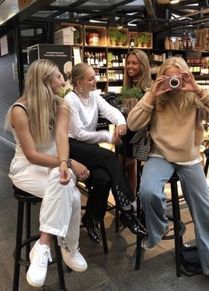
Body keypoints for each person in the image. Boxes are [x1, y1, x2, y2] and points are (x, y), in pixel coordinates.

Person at [127, 56, 209, 291]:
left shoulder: (194, 98)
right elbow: (133, 124)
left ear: (185, 75)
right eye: (169, 78)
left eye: (178, 77)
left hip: (189, 159)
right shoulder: (157, 98)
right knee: (147, 192)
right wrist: (152, 94)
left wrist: (196, 88)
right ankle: (159, 229)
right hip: (160, 156)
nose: (173, 83)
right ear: (161, 78)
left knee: (206, 213)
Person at [5, 59, 89, 288]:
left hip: (53, 166)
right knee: (70, 192)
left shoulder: (61, 104)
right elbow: (32, 155)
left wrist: (64, 163)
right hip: (26, 169)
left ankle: (42, 246)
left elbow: (62, 137)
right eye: (59, 76)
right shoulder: (19, 110)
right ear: (45, 81)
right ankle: (69, 246)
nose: (64, 80)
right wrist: (68, 164)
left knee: (63, 184)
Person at [64, 62, 147, 244]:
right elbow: (78, 133)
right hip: (73, 146)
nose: (95, 81)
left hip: (90, 148)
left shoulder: (93, 96)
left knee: (104, 178)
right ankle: (126, 209)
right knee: (110, 157)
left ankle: (91, 219)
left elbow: (111, 111)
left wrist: (121, 123)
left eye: (94, 77)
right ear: (78, 83)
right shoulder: (70, 100)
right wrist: (108, 137)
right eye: (91, 78)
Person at [119, 49, 153, 197]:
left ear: (143, 65)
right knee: (129, 165)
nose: (130, 66)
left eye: (134, 63)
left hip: (138, 134)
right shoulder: (129, 86)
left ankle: (128, 200)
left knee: (120, 166)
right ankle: (131, 198)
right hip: (126, 131)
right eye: (128, 63)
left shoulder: (148, 87)